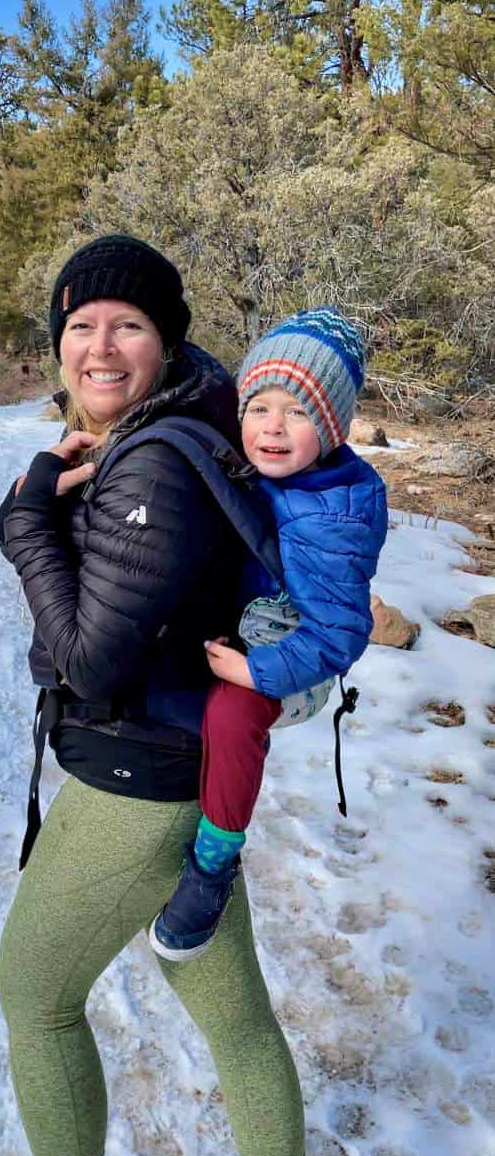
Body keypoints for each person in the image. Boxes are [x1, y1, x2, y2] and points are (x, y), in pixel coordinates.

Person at [0, 235, 305, 1156]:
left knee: (35, 999)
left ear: (166, 340)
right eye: (79, 324)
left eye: (127, 326)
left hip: (140, 781)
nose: (98, 347)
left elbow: (90, 661)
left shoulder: (159, 463)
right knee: (237, 1020)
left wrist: (25, 524)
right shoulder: (167, 428)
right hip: (189, 767)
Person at [149, 308, 388, 963]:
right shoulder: (261, 469)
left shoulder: (333, 512)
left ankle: (212, 864)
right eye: (260, 406)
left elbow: (340, 631)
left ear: (333, 428)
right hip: (254, 628)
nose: (274, 426)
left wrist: (260, 675)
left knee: (230, 714)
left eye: (299, 412)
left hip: (300, 660)